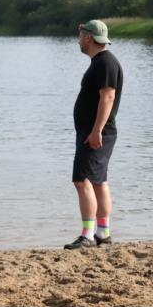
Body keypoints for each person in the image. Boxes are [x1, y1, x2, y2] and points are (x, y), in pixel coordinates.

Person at [64, 19, 124, 249]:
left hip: (96, 133)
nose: (78, 40)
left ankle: (88, 235)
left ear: (89, 37)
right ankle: (103, 233)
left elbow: (107, 97)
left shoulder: (105, 63)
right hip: (95, 132)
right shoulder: (100, 62)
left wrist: (96, 130)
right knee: (98, 181)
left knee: (82, 181)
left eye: (80, 36)